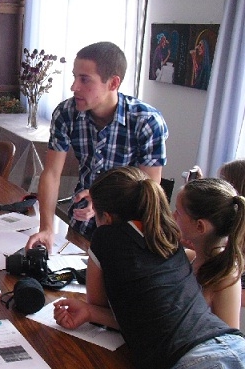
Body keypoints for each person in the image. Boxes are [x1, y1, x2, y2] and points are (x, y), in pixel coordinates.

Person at [53, 167, 245, 369]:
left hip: (196, 360)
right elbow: (151, 319)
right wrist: (91, 313)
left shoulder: (106, 237)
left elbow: (99, 302)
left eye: (178, 213)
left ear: (106, 218)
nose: (173, 216)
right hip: (234, 345)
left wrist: (94, 310)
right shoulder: (170, 243)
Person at [27, 41, 168, 252]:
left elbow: (149, 188)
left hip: (129, 228)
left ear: (113, 83)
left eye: (84, 80)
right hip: (82, 222)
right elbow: (51, 173)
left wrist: (102, 197)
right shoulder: (66, 113)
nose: (74, 87)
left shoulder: (146, 121)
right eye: (75, 77)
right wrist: (46, 227)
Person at [174, 178, 245, 328]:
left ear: (200, 226)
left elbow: (230, 338)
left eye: (178, 213)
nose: (173, 216)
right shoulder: (190, 257)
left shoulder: (225, 277)